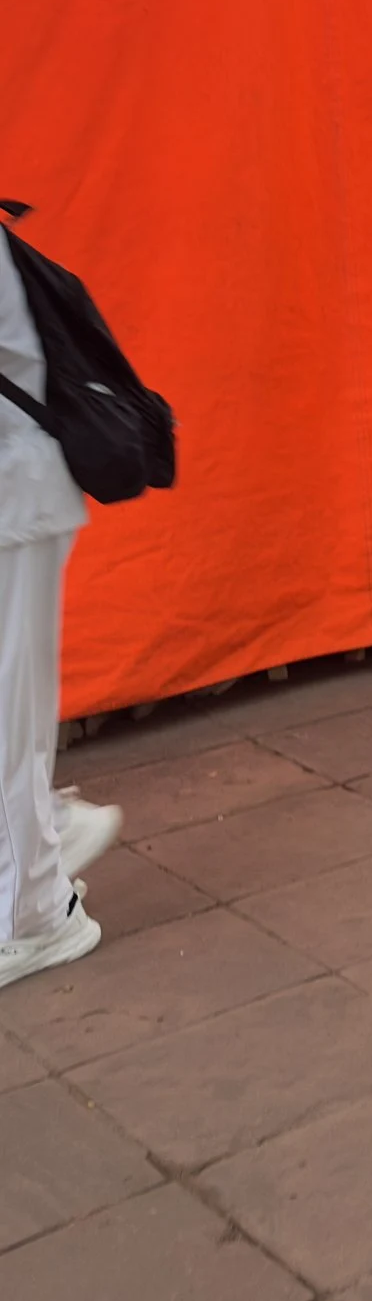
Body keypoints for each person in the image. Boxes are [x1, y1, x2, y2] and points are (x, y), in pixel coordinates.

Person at [0, 229, 122, 993]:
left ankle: (42, 917)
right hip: (17, 504)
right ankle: (46, 836)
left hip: (19, 507)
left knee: (10, 721)